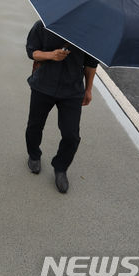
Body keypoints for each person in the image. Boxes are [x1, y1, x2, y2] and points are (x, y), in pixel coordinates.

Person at [25, 20, 98, 193]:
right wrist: (51, 55)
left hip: (72, 90)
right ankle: (34, 155)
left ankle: (61, 168)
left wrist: (88, 89)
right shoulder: (43, 25)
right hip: (43, 84)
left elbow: (90, 64)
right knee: (35, 125)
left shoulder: (88, 32)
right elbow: (32, 52)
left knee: (71, 135)